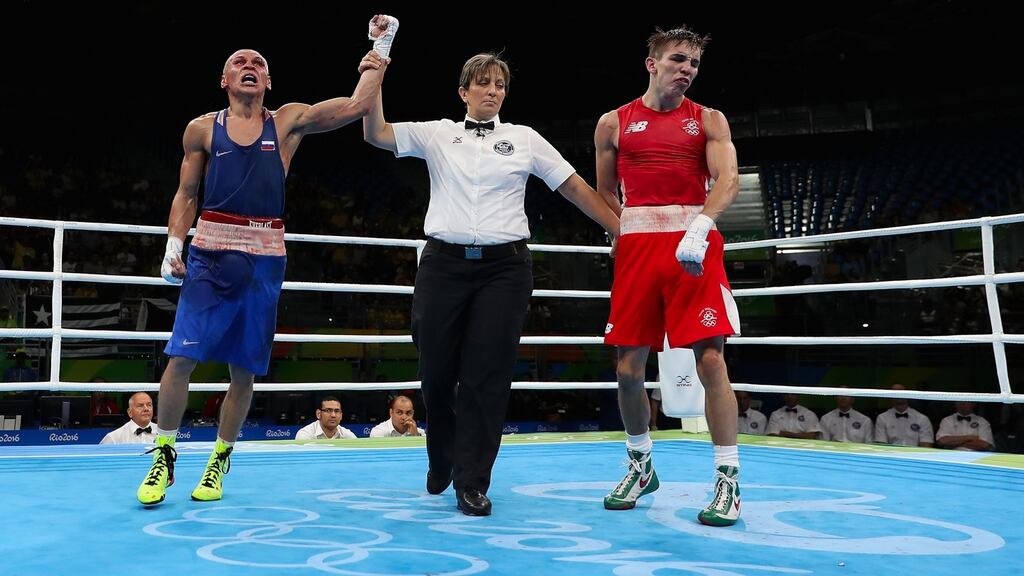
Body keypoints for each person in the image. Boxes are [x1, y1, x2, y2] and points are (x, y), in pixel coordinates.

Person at [136, 15, 399, 507]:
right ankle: (164, 453)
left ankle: (219, 458)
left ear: (269, 81)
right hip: (210, 252)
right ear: (225, 80)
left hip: (263, 255)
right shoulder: (201, 129)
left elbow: (356, 106)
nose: (250, 65)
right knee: (181, 358)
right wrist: (174, 244)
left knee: (243, 369)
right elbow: (186, 192)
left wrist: (381, 47)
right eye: (239, 62)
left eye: (259, 62)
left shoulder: (287, 120)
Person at [363, 52, 619, 517]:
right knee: (436, 374)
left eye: (499, 84)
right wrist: (376, 67)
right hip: (442, 265)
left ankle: (472, 482)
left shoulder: (525, 139)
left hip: (505, 270)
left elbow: (574, 186)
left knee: (486, 379)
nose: (493, 91)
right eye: (483, 83)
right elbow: (375, 132)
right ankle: (441, 455)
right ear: (464, 92)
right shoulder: (439, 133)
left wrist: (623, 232)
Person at [595, 25, 742, 526]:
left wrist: (702, 224)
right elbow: (606, 192)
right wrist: (623, 232)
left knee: (711, 363)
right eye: (679, 59)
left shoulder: (709, 119)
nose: (688, 70)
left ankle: (728, 479)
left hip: (693, 244)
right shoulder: (613, 124)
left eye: (695, 64)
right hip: (639, 248)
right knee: (627, 371)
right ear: (652, 63)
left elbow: (728, 179)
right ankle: (640, 464)